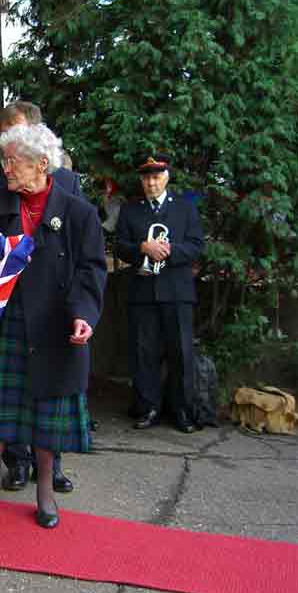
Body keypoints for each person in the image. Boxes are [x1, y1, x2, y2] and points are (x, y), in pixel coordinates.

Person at [0, 123, 106, 528]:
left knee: (45, 410)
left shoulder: (78, 212)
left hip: (54, 324)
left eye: (13, 161)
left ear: (41, 165)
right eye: (5, 160)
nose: (7, 169)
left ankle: (46, 494)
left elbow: (91, 270)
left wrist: (83, 314)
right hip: (1, 322)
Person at [0, 101, 82, 494]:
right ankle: (15, 465)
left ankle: (53, 468)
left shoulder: (67, 185)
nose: (7, 145)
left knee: (48, 392)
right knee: (4, 396)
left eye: (18, 132)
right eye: (4, 132)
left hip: (50, 310)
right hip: (7, 306)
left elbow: (83, 257)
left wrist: (80, 310)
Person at [114, 154, 204, 433]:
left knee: (181, 353)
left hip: (177, 291)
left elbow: (197, 246)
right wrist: (142, 248)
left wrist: (169, 250)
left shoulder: (186, 209)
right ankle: (148, 408)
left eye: (156, 177)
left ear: (166, 178)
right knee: (145, 354)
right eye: (146, 178)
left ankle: (182, 411)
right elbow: (119, 246)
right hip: (143, 291)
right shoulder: (131, 210)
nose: (151, 182)